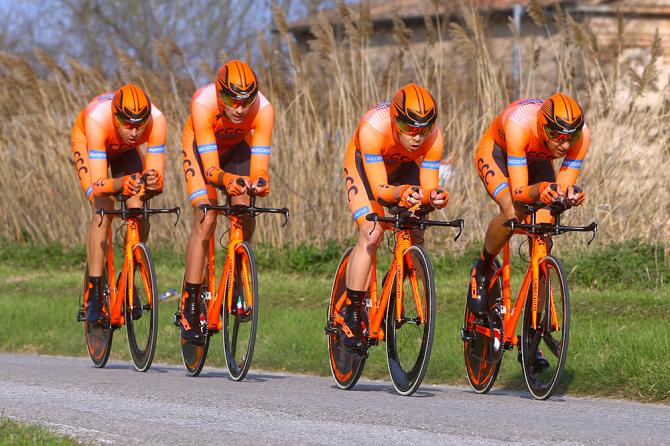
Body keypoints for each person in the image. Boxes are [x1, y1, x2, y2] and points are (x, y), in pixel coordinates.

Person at [469, 93, 590, 369]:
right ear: (543, 126)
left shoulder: (580, 137)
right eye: (556, 135)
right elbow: (521, 192)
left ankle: (532, 335)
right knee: (515, 211)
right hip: (499, 152)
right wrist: (542, 191)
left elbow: (560, 188)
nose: (565, 143)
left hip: (537, 158)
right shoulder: (518, 125)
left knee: (545, 225)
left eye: (569, 137)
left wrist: (567, 196)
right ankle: (484, 265)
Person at [341, 82, 449, 355]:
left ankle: (393, 288)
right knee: (372, 230)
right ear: (394, 120)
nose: (417, 137)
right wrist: (403, 192)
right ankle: (352, 312)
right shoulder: (373, 128)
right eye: (409, 128)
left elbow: (426, 187)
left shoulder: (434, 138)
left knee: (415, 231)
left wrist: (432, 198)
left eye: (423, 129)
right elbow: (381, 191)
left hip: (403, 168)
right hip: (367, 168)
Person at [179, 60, 274, 343]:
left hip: (235, 150)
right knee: (206, 217)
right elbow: (211, 171)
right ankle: (191, 301)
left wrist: (260, 181)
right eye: (233, 100)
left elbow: (259, 166)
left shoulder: (264, 109)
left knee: (245, 201)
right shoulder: (203, 103)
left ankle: (238, 269)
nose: (240, 108)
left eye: (246, 101)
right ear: (221, 94)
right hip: (201, 151)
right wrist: (227, 180)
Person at [71, 84, 166, 323]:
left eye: (139, 125)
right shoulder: (97, 120)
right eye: (128, 125)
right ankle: (93, 292)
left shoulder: (156, 120)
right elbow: (100, 183)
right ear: (116, 118)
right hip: (91, 143)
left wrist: (152, 183)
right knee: (102, 211)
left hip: (125, 151)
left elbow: (155, 181)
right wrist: (123, 182)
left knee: (139, 208)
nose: (134, 132)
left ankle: (128, 279)